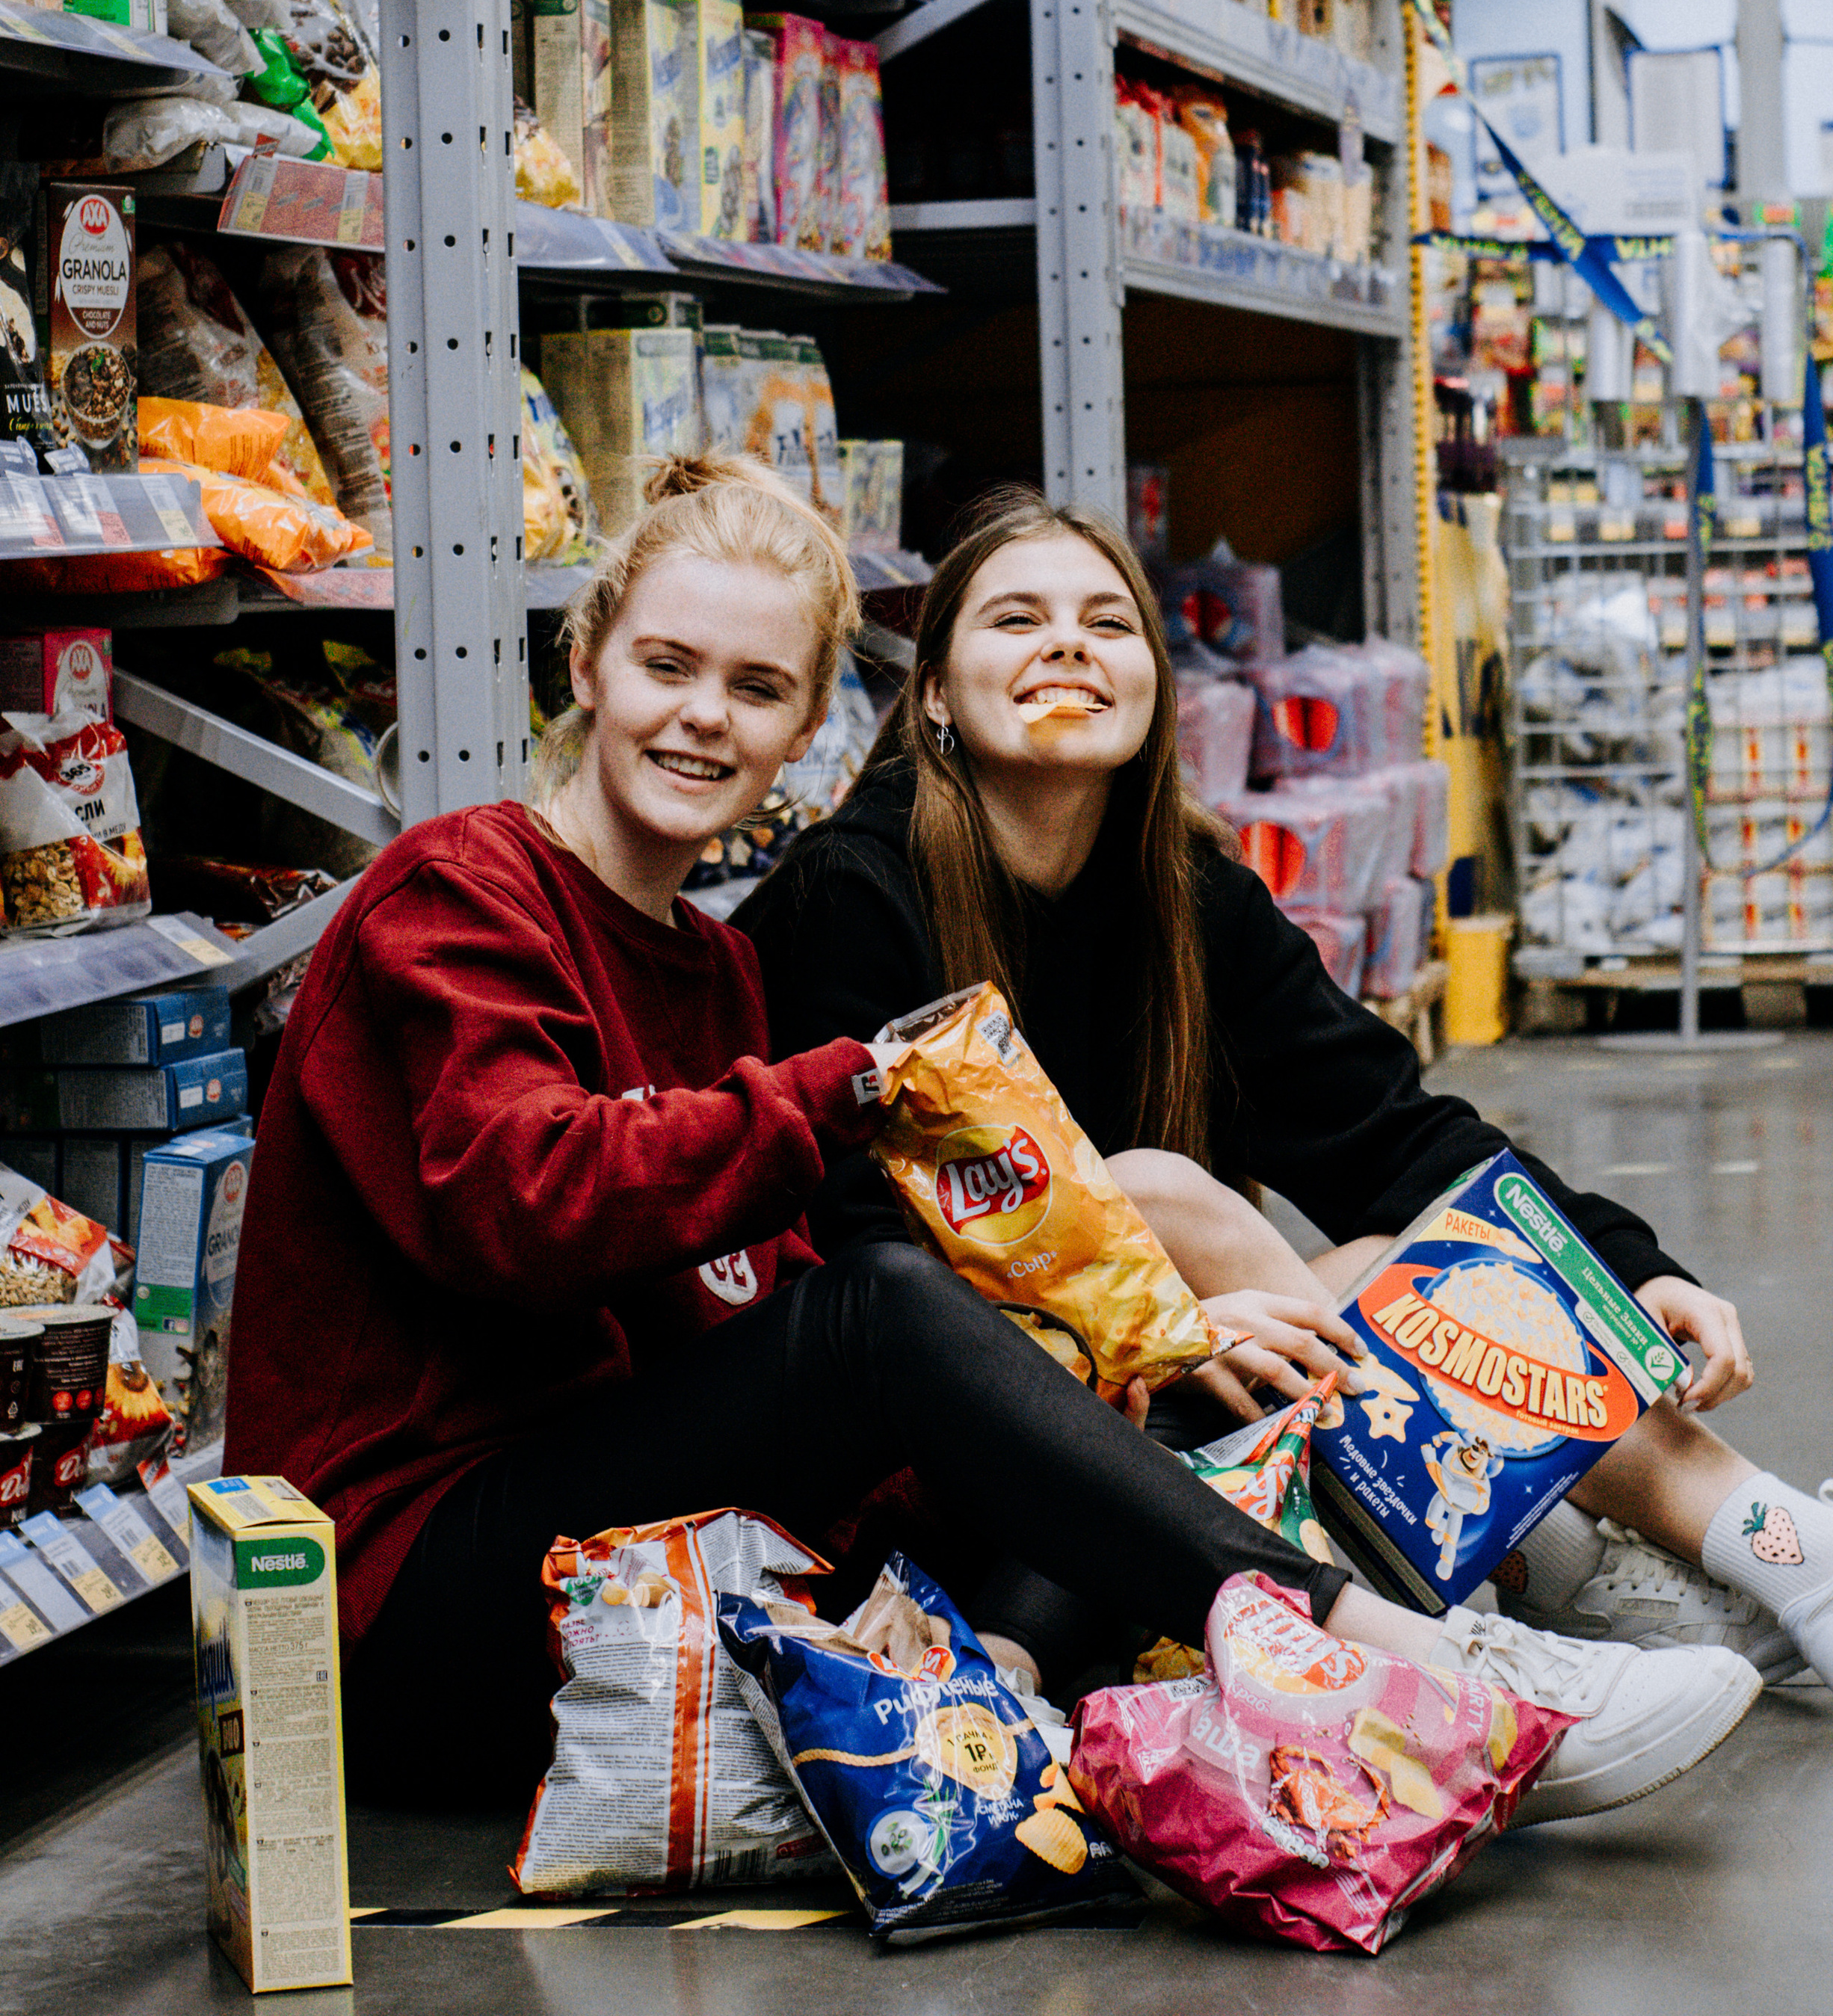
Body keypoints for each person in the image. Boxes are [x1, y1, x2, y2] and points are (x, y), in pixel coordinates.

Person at [226, 455, 1755, 1820]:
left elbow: (1382, 1129)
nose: (703, 716)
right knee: (898, 1312)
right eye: (665, 667)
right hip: (404, 1604)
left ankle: (1181, 1668)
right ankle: (1418, 1667)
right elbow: (525, 1205)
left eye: (755, 690)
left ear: (809, 728)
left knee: (1117, 1373)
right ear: (584, 661)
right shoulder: (457, 895)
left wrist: (1074, 1416)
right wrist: (841, 1091)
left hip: (622, 1579)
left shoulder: (720, 968)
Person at [739, 486, 1833, 1726]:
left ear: (1153, 689)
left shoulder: (1190, 898)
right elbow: (855, 1268)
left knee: (1382, 1264)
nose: (1069, 646)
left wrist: (1629, 1272)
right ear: (931, 692)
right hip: (939, 1454)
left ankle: (1756, 1552)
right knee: (1155, 1190)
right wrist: (1155, 1334)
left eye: (1107, 622)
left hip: (1157, 1421)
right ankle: (1624, 1579)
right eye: (1016, 620)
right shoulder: (854, 897)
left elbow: (1398, 1137)